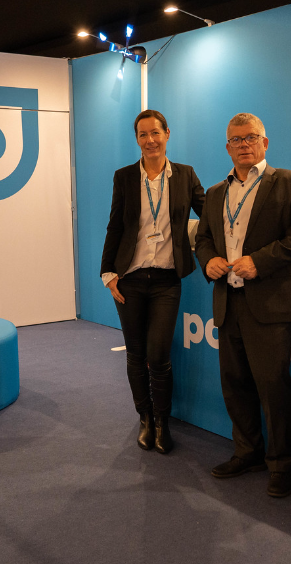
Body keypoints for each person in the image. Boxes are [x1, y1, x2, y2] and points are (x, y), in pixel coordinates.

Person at [193, 113, 291, 497]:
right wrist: (208, 261)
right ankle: (247, 452)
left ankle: (280, 465)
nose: (244, 145)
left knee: (272, 387)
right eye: (236, 139)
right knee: (235, 385)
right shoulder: (216, 192)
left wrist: (259, 262)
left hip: (270, 302)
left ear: (265, 143)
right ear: (227, 147)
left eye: (251, 138)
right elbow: (203, 238)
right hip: (228, 300)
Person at [100, 109, 205, 454]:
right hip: (129, 278)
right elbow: (116, 225)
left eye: (155, 133)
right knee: (136, 353)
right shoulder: (125, 177)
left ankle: (162, 421)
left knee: (158, 355)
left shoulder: (185, 175)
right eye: (143, 135)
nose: (150, 140)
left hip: (166, 281)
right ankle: (144, 418)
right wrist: (107, 273)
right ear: (137, 139)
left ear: (167, 134)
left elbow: (209, 216)